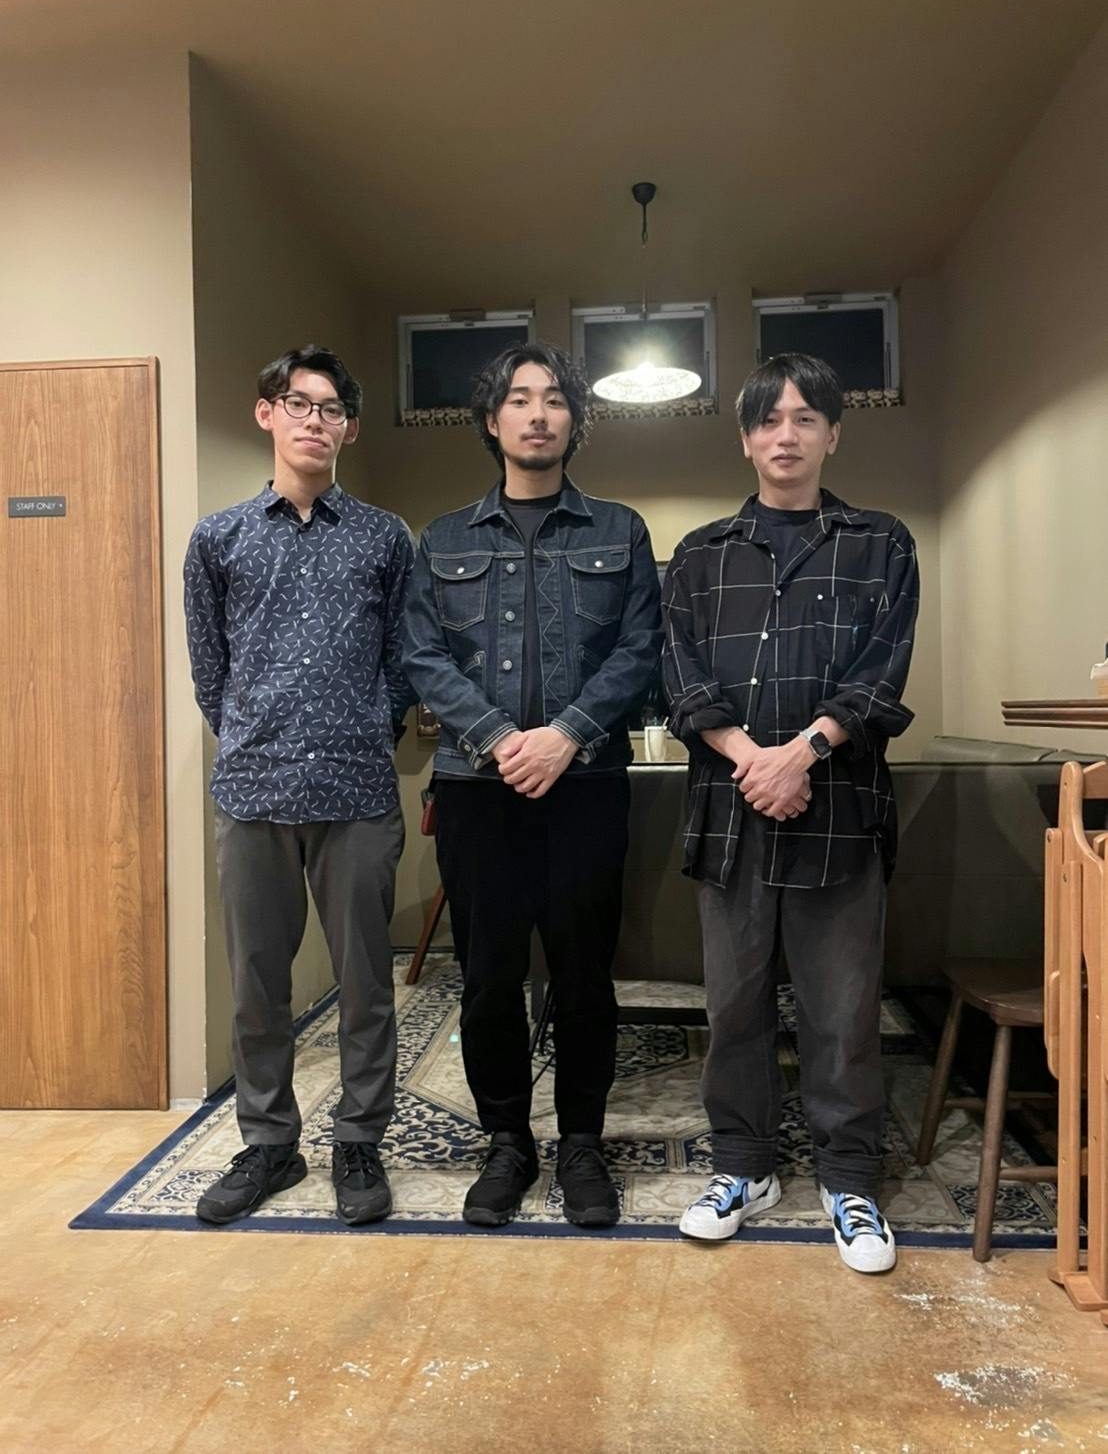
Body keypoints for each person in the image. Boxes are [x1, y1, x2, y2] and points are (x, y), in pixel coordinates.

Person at [662, 353, 918, 1273]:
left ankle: (849, 1179)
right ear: (745, 439)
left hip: (840, 815)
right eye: (769, 420)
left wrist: (802, 753)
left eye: (806, 418)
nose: (786, 435)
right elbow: (681, 679)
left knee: (843, 1012)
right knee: (733, 1009)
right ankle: (744, 1167)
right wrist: (756, 763)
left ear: (833, 434)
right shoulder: (699, 555)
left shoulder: (881, 543)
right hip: (731, 816)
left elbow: (880, 676)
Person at [402, 341, 662, 1229]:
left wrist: (567, 735)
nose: (538, 413)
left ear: (573, 420)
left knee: (587, 977)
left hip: (587, 787)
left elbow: (640, 649)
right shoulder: (442, 539)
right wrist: (501, 739)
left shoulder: (620, 530)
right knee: (487, 979)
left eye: (554, 399)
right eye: (519, 398)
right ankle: (507, 1143)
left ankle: (582, 1144)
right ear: (493, 420)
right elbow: (421, 655)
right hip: (477, 791)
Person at [184, 344, 414, 1227]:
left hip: (357, 792)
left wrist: (368, 728)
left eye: (331, 409)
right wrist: (255, 735)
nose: (315, 420)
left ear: (348, 430)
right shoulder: (219, 539)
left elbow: (404, 661)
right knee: (256, 987)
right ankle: (269, 1145)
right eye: (299, 403)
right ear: (266, 413)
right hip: (254, 793)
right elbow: (211, 671)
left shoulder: (385, 537)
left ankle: (359, 1140)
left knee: (366, 984)